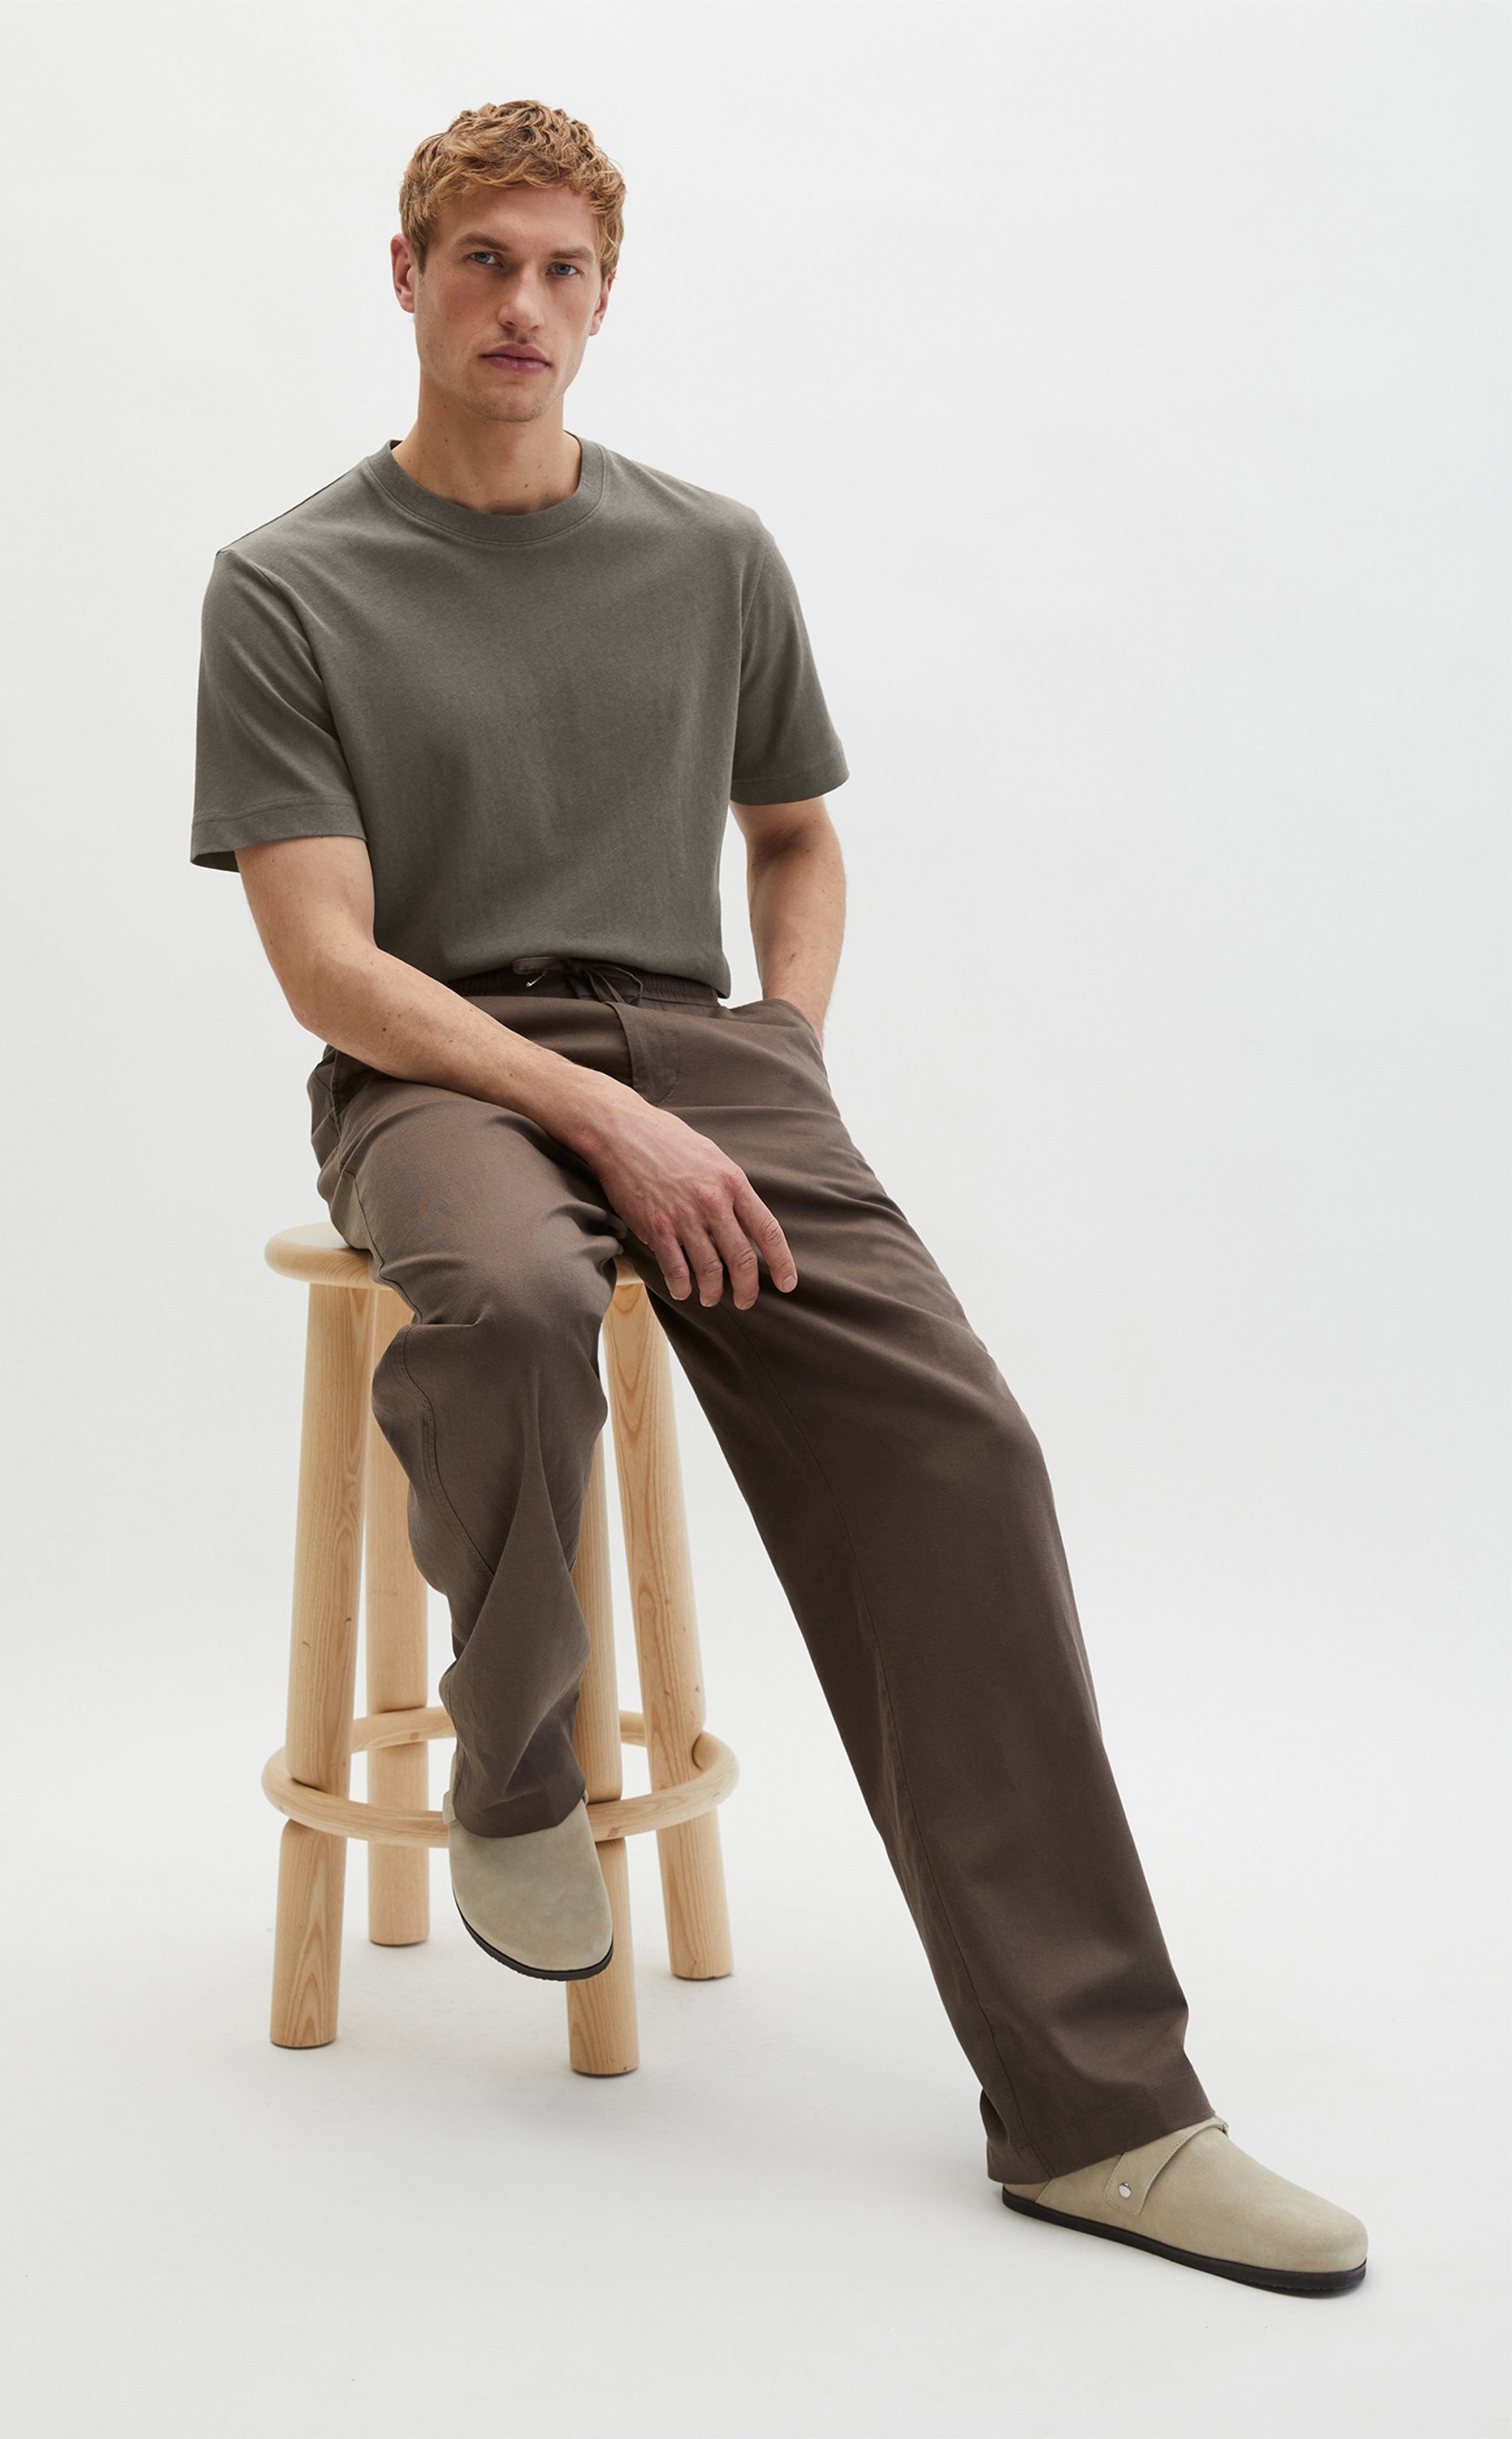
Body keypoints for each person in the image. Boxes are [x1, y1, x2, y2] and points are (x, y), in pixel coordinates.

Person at [191, 98, 1367, 2298]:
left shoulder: (711, 553)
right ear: (406, 275)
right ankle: (512, 1765)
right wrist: (598, 1118)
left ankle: (1102, 2113)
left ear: (605, 296)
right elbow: (328, 961)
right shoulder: (289, 582)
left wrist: (782, 1051)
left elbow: (796, 831)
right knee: (513, 1305)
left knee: (958, 1442)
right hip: (435, 1063)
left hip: (705, 1051)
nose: (522, 303)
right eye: (481, 260)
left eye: (561, 268)